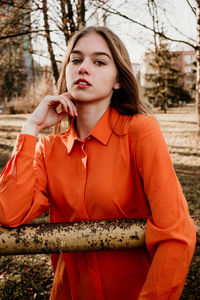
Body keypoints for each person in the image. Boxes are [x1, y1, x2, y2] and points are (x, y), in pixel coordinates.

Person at [0, 26, 196, 300]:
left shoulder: (140, 132)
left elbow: (175, 232)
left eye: (99, 61)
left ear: (118, 79)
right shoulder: (48, 148)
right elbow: (9, 213)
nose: (83, 68)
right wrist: (31, 127)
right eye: (76, 59)